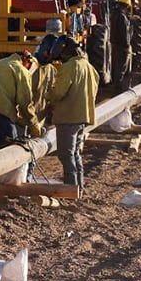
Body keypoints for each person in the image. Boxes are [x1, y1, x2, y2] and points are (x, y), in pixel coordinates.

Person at [47, 36, 98, 190]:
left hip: (68, 117)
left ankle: (71, 188)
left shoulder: (70, 67)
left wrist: (47, 93)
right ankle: (79, 187)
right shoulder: (88, 66)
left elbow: (58, 93)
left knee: (66, 154)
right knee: (75, 154)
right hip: (82, 117)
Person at [109, 0, 133, 89]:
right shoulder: (122, 17)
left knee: (116, 66)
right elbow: (124, 33)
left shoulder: (114, 14)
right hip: (122, 46)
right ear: (127, 6)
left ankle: (115, 85)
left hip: (115, 44)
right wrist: (127, 46)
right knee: (122, 67)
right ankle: (119, 88)